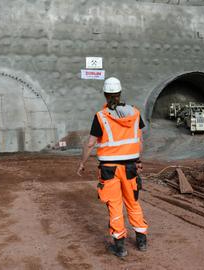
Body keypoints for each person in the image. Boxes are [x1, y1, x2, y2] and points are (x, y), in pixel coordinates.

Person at [77, 77, 148, 257]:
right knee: (133, 202)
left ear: (105, 95)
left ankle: (120, 246)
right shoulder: (135, 113)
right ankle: (141, 241)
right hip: (131, 167)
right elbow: (139, 141)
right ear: (120, 93)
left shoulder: (101, 116)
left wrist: (82, 163)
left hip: (109, 170)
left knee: (115, 205)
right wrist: (138, 160)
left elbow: (91, 143)